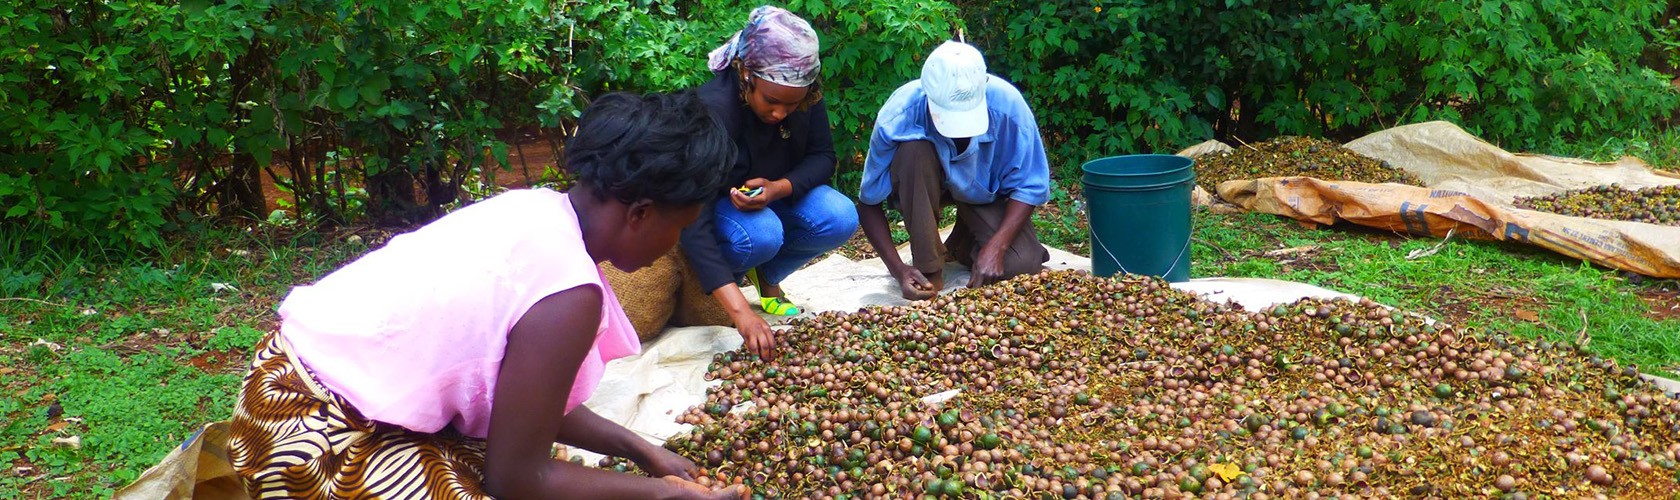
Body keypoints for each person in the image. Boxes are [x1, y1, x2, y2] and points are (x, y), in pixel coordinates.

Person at [226, 92, 747, 499]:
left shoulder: (536, 209)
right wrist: (659, 495)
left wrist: (638, 449)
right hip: (310, 439)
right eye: (680, 225)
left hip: (274, 382)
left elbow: (523, 403)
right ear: (641, 213)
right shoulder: (568, 295)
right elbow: (519, 480)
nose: (673, 245)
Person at [680, 5, 857, 358]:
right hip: (719, 207)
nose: (779, 114)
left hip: (774, 197)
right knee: (761, 233)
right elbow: (690, 217)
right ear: (746, 74)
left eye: (791, 107)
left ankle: (767, 277)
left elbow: (823, 158)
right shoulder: (715, 109)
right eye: (771, 101)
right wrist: (742, 314)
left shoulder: (802, 92)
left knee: (841, 215)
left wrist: (780, 187)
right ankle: (714, 296)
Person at [856, 41, 1052, 300]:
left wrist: (997, 247)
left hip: (986, 194)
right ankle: (929, 270)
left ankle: (962, 241)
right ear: (928, 97)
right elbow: (868, 203)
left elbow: (1030, 186)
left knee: (1020, 264)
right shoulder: (899, 114)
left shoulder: (1008, 107)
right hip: (925, 186)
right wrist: (899, 269)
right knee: (913, 150)